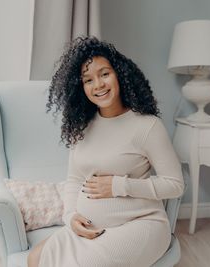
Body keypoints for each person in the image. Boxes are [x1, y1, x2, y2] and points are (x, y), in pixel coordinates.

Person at [27, 36, 184, 267]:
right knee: (35, 258)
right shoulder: (82, 127)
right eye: (88, 80)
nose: (98, 85)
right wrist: (70, 217)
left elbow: (175, 184)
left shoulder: (147, 126)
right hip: (91, 227)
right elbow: (74, 180)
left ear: (119, 74)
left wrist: (119, 186)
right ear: (80, 88)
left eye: (104, 74)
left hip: (140, 224)